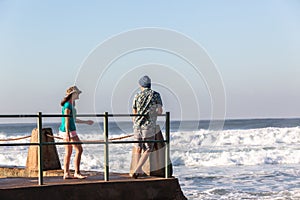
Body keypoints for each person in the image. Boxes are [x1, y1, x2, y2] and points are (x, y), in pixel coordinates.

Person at [131, 75, 163, 178]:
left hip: (137, 126)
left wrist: (136, 122)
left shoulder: (137, 95)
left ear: (140, 85)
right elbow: (160, 111)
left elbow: (134, 112)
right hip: (148, 126)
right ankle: (138, 169)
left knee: (138, 147)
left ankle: (136, 170)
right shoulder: (156, 95)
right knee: (148, 148)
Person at [59, 85, 94, 179]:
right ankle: (76, 172)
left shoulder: (71, 104)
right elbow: (66, 119)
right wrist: (67, 133)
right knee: (79, 149)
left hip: (67, 129)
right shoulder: (68, 105)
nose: (79, 94)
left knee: (69, 151)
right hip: (69, 130)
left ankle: (66, 173)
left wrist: (86, 122)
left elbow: (73, 119)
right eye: (77, 93)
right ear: (73, 94)